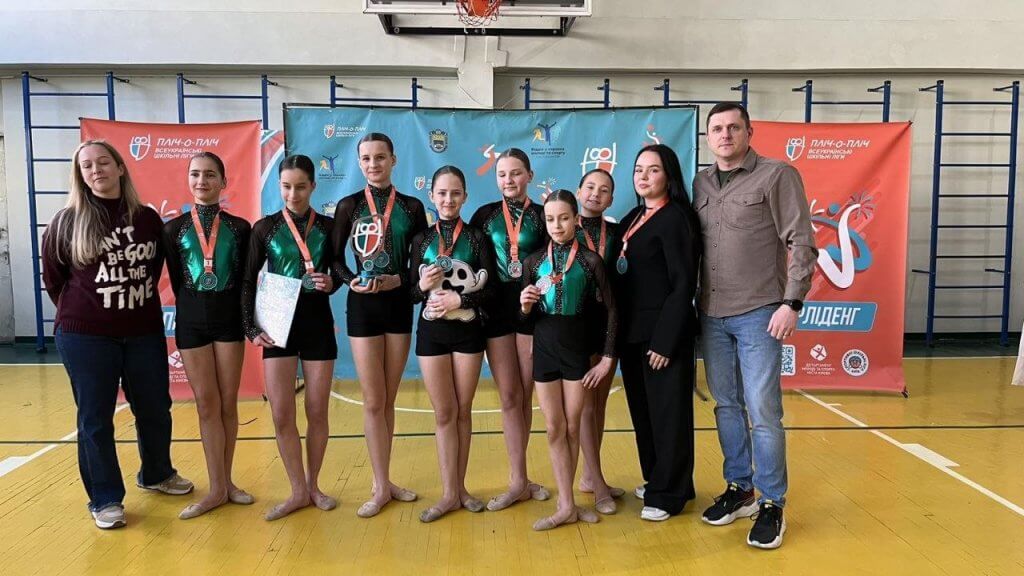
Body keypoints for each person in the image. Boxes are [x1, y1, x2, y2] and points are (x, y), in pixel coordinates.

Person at [42, 140, 193, 530]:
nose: (96, 170)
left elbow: (152, 270)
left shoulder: (147, 219)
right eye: (87, 166)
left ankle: (157, 473)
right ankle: (105, 498)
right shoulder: (66, 221)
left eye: (103, 162)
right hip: (86, 336)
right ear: (80, 175)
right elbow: (55, 280)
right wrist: (93, 312)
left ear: (120, 168)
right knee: (95, 418)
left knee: (155, 408)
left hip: (142, 332)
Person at [694, 102, 817, 549]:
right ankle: (740, 488)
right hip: (711, 313)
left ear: (749, 132)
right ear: (708, 136)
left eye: (733, 127)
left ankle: (772, 503)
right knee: (726, 406)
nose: (725, 135)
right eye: (717, 128)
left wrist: (792, 302)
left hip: (759, 312)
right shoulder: (701, 182)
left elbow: (802, 240)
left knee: (763, 411)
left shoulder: (777, 175)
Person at [331, 133, 428, 518]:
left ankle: (385, 481)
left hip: (398, 304)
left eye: (381, 157)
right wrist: (350, 280)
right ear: (359, 163)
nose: (374, 164)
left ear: (393, 160)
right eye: (367, 158)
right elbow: (334, 259)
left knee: (388, 399)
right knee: (373, 400)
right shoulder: (348, 205)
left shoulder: (412, 206)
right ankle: (379, 484)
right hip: (363, 306)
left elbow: (420, 261)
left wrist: (400, 280)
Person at [242, 154, 342, 521]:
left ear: (313, 186)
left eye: (300, 186)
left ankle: (314, 486)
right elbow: (248, 280)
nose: (293, 194)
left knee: (317, 411)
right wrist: (251, 328)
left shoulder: (329, 226)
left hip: (317, 323)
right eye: (286, 186)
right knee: (282, 413)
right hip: (277, 325)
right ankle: (297, 490)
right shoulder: (264, 228)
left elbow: (338, 271)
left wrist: (332, 282)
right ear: (279, 186)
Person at [609, 143, 701, 523]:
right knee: (644, 414)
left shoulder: (677, 218)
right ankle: (660, 480)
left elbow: (683, 285)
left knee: (668, 415)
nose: (644, 176)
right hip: (633, 335)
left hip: (663, 338)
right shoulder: (632, 218)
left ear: (669, 175)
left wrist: (665, 341)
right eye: (638, 170)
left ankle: (670, 494)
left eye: (653, 170)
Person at [163, 152, 253, 519]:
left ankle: (226, 483)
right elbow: (176, 278)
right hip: (191, 321)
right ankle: (216, 487)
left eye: (210, 175)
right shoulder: (173, 229)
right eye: (196, 174)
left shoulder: (240, 228)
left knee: (228, 403)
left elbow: (246, 280)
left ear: (223, 181)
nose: (202, 181)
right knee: (205, 404)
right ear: (188, 180)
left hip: (228, 320)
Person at [519, 190, 615, 530]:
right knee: (554, 427)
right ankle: (566, 504)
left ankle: (569, 502)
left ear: (576, 219)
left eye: (563, 218)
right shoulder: (533, 263)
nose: (557, 225)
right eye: (550, 219)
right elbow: (524, 320)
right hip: (545, 350)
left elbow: (612, 310)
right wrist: (525, 306)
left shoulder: (590, 261)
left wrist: (607, 357)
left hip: (577, 351)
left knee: (573, 427)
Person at [409, 165, 496, 522]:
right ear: (431, 195)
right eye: (442, 193)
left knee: (463, 410)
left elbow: (491, 290)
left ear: (465, 196)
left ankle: (461, 489)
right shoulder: (421, 240)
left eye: (455, 193)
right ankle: (448, 494)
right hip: (432, 333)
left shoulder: (476, 238)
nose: (448, 199)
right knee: (444, 412)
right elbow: (411, 294)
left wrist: (461, 300)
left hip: (468, 332)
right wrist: (422, 286)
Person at [469, 148, 551, 511]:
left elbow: (554, 262)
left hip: (531, 311)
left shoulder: (542, 215)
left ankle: (521, 479)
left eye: (516, 173)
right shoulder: (484, 215)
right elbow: (471, 263)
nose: (509, 180)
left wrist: (538, 293)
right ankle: (518, 480)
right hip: (495, 312)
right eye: (502, 174)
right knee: (509, 396)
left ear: (529, 176)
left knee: (525, 394)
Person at [573, 168, 624, 514]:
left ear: (611, 199)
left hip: (608, 324)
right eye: (590, 187)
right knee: (586, 407)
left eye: (603, 190)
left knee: (600, 405)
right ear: (579, 191)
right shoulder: (564, 228)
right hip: (576, 325)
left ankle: (591, 477)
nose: (595, 193)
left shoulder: (617, 235)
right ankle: (597, 480)